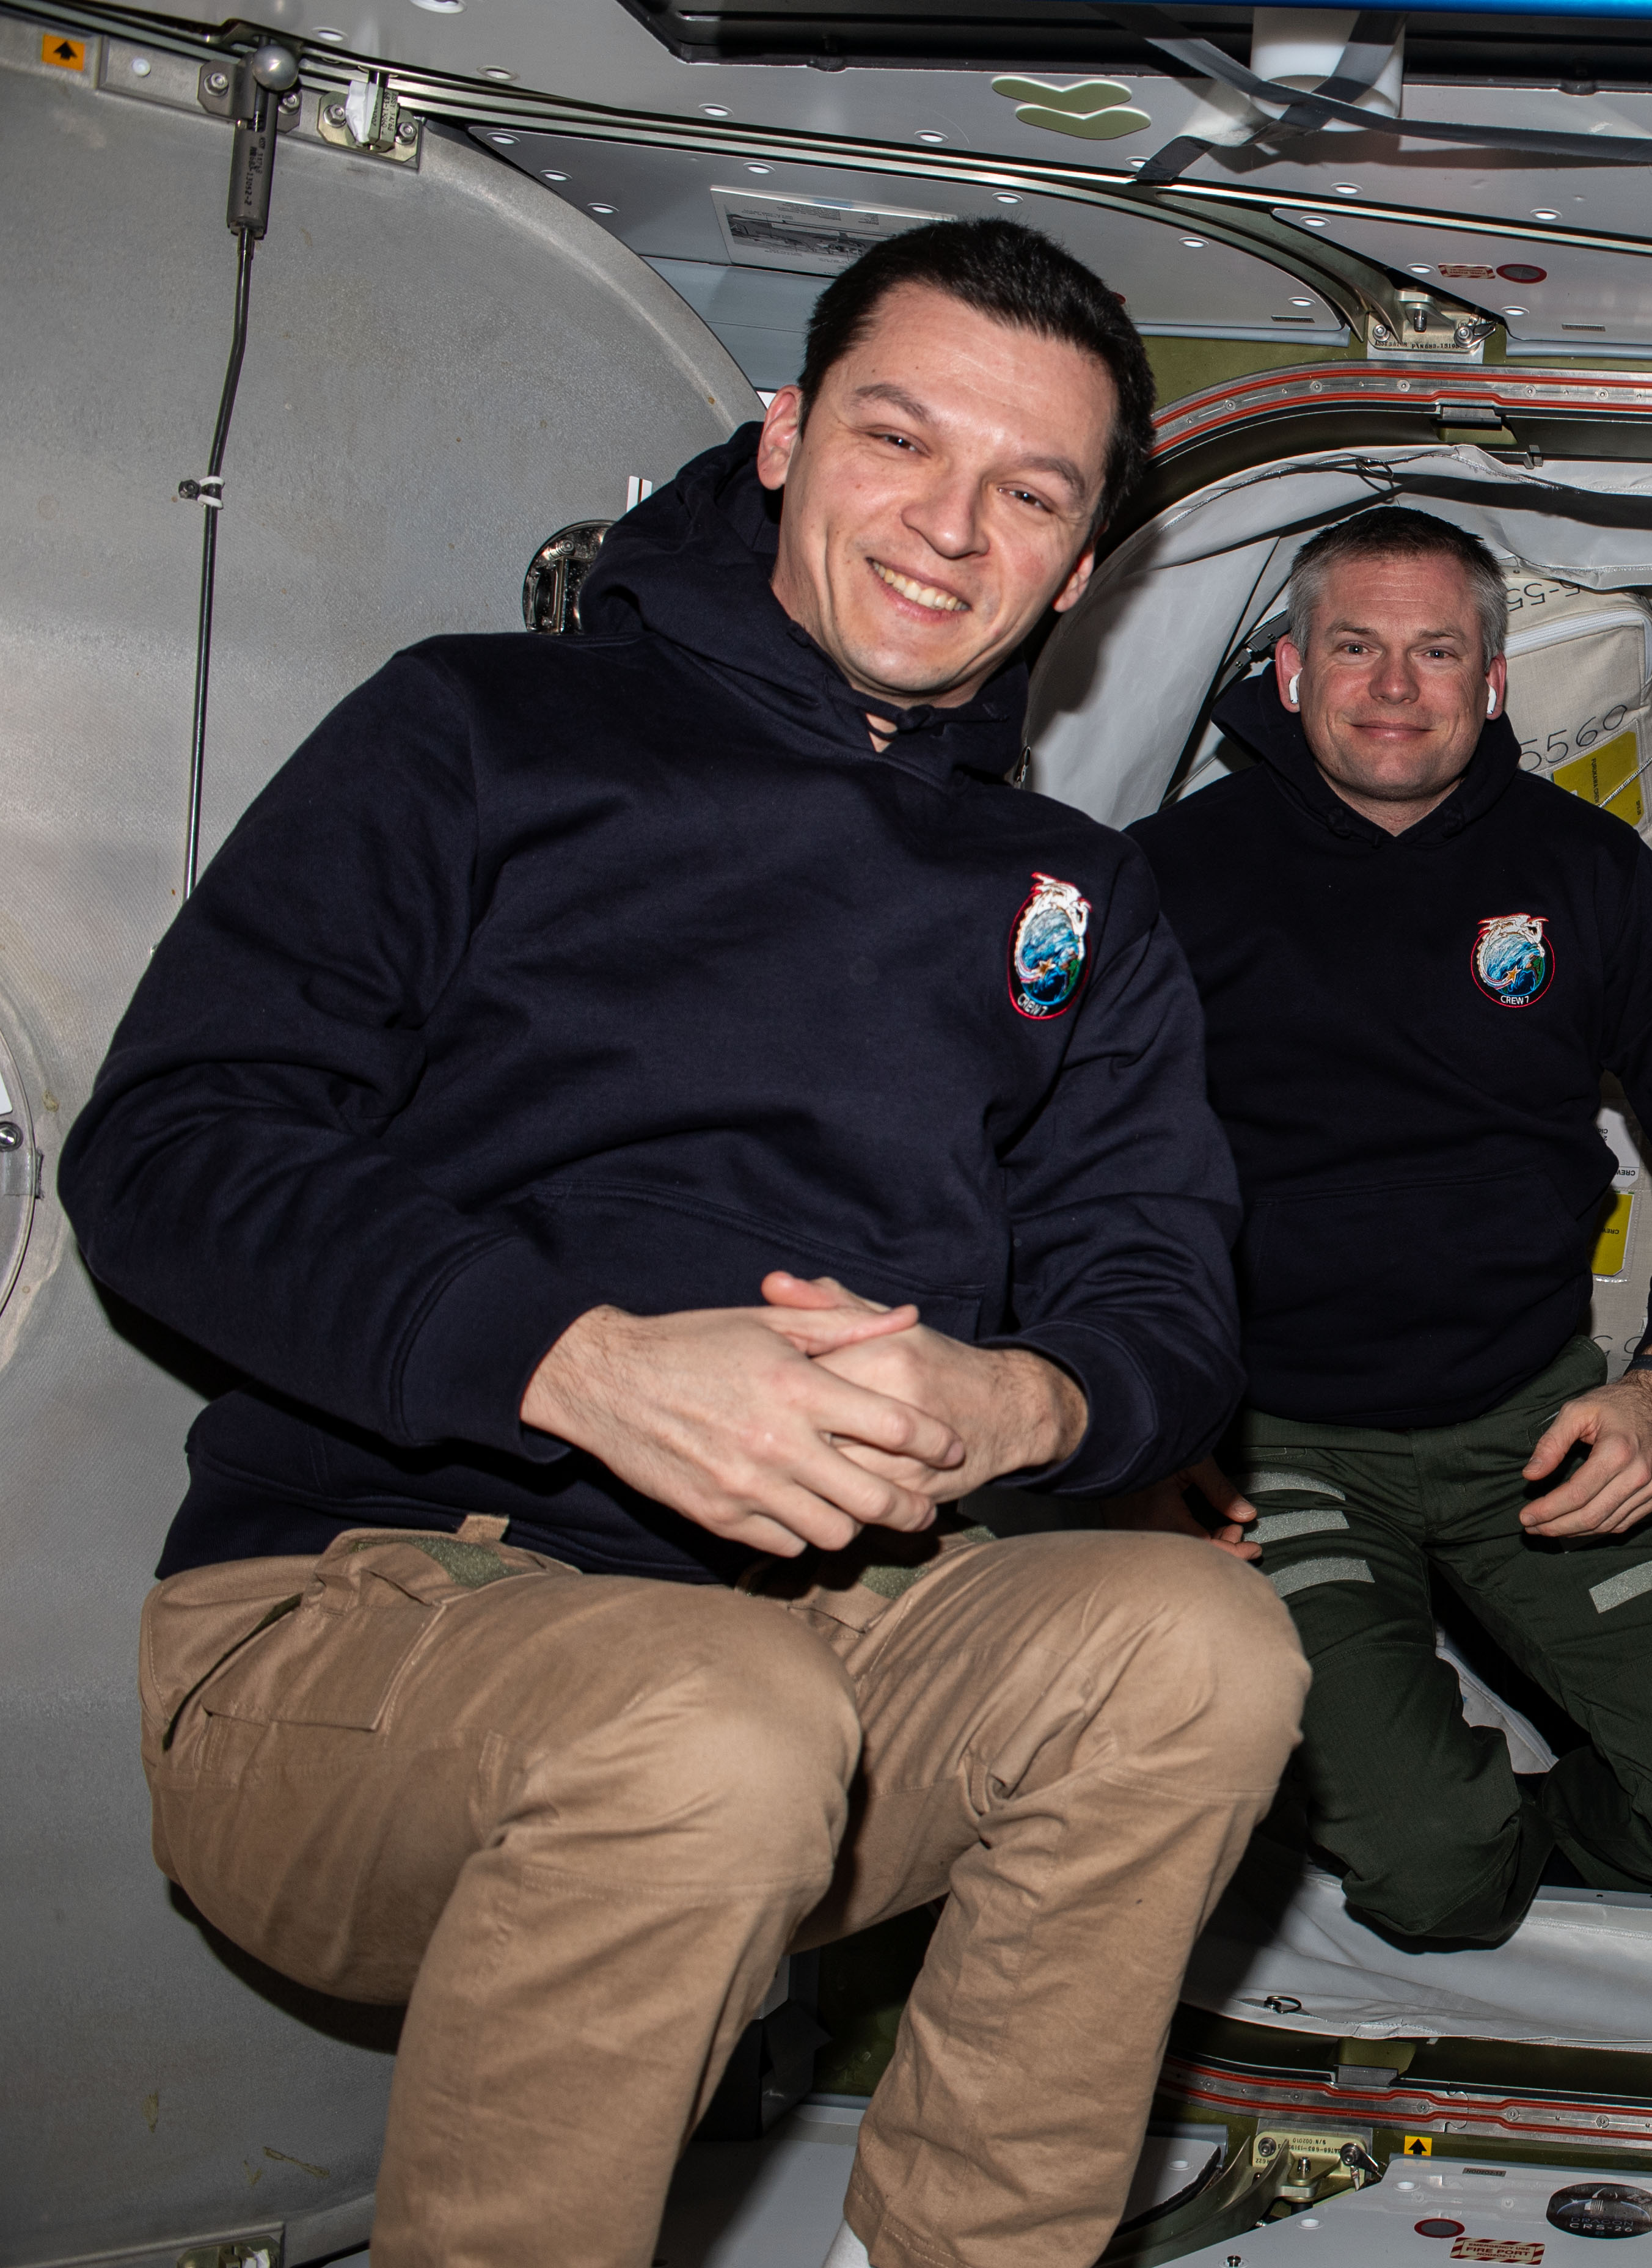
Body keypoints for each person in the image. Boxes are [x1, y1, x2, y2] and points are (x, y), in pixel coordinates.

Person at [62, 221, 1308, 2268]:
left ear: (1084, 565)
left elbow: (1162, 1299)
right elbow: (172, 1154)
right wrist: (583, 1362)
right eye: (900, 440)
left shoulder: (1073, 895)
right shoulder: (480, 731)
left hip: (829, 1650)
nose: (950, 527)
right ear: (784, 437)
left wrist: (1006, 1403)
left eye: (1029, 493)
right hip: (367, 1626)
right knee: (713, 1717)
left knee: (1205, 1649)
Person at [1122, 507, 1652, 1945]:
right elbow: (1065, 1162)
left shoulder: (1588, 872)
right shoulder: (1166, 879)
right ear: (1292, 669)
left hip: (1533, 1420)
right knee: (1432, 1875)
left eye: (1436, 652)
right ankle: (1404, 1801)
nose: (1394, 686)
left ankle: (1499, 1805)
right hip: (1273, 1446)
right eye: (1356, 646)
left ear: (1492, 681)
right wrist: (1140, 1434)